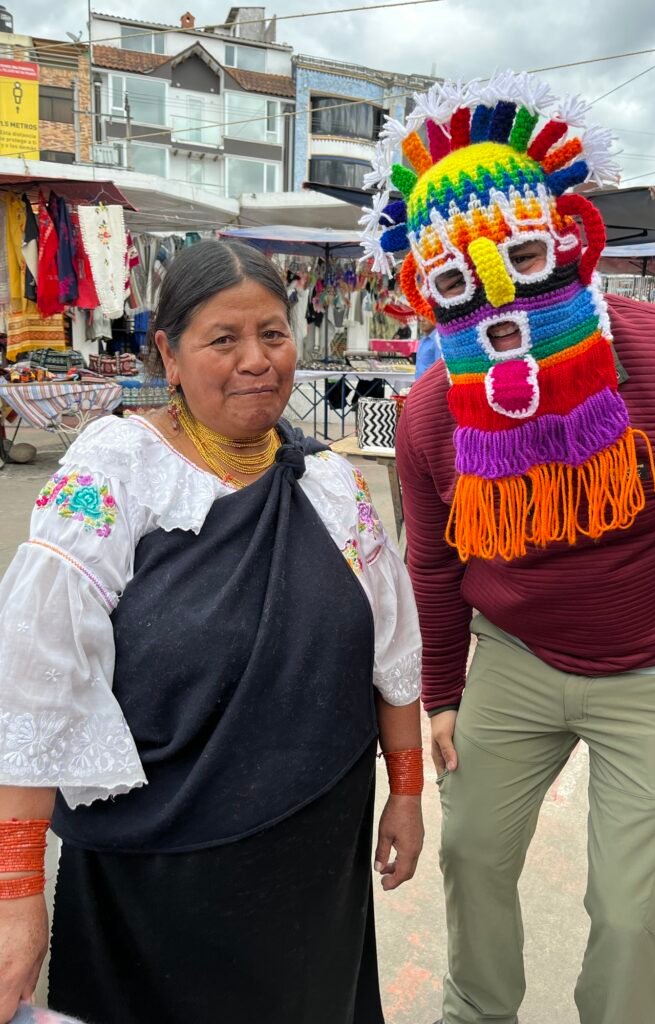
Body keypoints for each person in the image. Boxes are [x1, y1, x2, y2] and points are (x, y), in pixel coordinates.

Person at [360, 72, 655, 1024]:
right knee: (469, 859)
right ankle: (477, 1011)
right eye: (459, 286)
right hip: (513, 659)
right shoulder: (430, 416)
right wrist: (448, 693)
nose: (501, 312)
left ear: (575, 246)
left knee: (629, 919)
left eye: (527, 258)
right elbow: (433, 562)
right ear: (424, 294)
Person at [0, 239, 424, 1024]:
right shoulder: (117, 473)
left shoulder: (329, 481)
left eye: (272, 332)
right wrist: (16, 897)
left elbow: (392, 652)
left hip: (313, 859)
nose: (257, 361)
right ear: (167, 351)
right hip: (159, 875)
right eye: (223, 340)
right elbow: (36, 680)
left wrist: (405, 793)